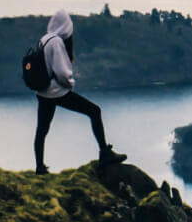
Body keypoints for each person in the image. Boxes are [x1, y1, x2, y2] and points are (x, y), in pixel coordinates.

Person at [33, 10, 126, 175]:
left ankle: (40, 167)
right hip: (57, 92)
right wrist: (70, 84)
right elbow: (62, 72)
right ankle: (104, 153)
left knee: (42, 129)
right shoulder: (57, 42)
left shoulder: (44, 39)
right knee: (94, 111)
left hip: (43, 92)